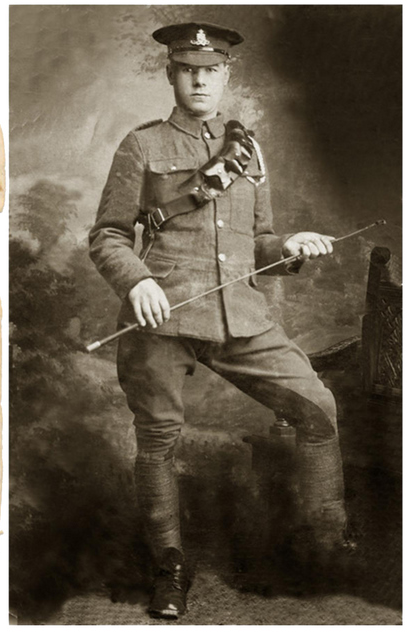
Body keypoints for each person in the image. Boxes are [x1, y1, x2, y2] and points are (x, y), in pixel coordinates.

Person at [89, 23, 349, 619]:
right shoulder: (142, 145)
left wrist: (292, 246)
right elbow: (106, 236)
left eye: (211, 70)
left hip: (241, 316)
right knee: (158, 441)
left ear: (227, 75)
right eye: (188, 69)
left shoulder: (247, 150)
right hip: (164, 315)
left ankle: (322, 543)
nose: (200, 79)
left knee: (318, 409)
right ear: (171, 74)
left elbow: (258, 240)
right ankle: (169, 569)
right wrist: (139, 282)